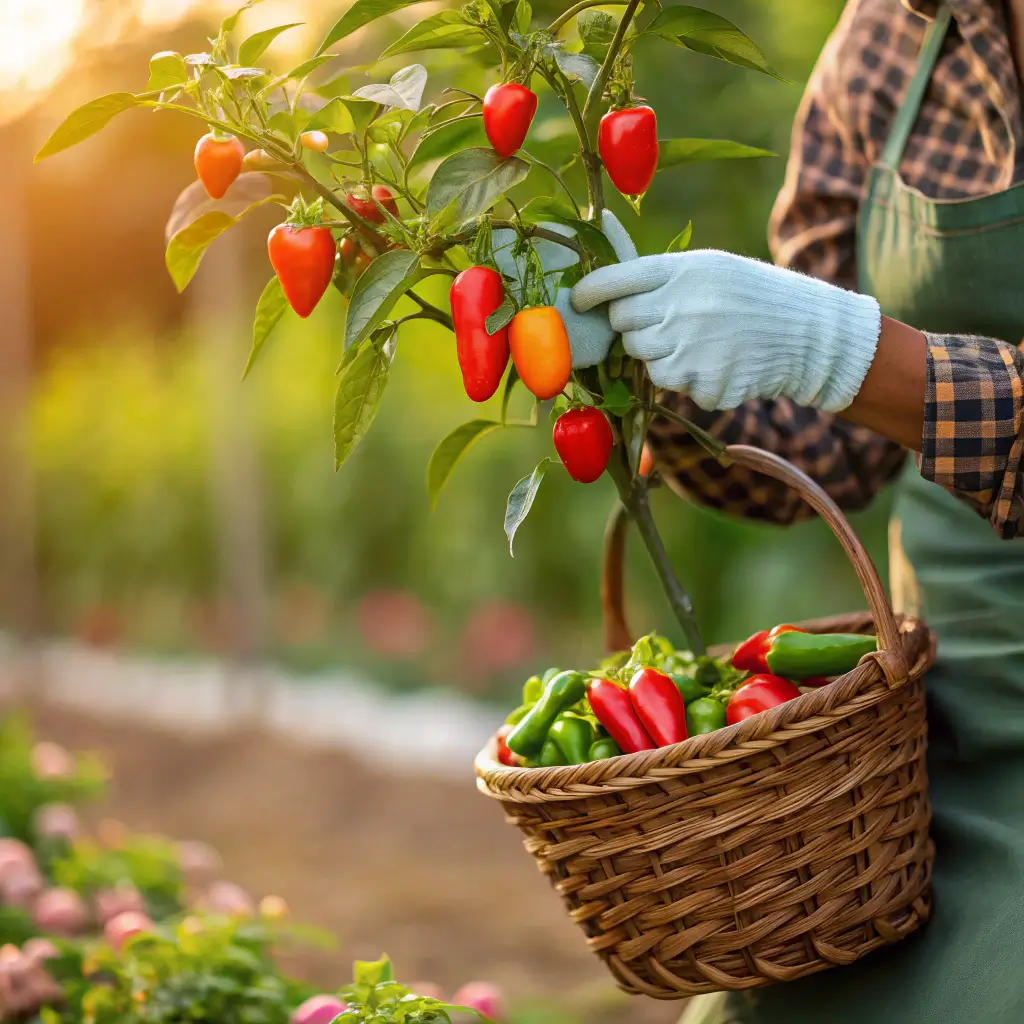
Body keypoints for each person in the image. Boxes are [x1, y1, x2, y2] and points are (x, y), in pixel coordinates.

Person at [562, 1, 1024, 1022]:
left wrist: (848, 354)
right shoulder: (893, 35)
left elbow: (847, 364)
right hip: (923, 747)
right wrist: (666, 385)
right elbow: (832, 451)